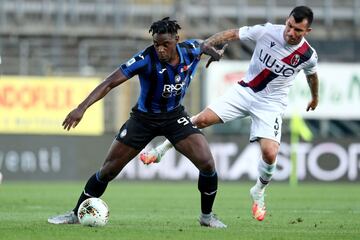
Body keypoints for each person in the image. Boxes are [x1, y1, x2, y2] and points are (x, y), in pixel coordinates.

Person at [140, 6, 319, 222]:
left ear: (307, 32)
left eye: (297, 30)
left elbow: (312, 75)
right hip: (245, 91)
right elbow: (232, 33)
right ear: (287, 20)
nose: (290, 32)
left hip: (271, 104)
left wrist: (314, 97)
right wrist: (207, 46)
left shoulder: (308, 55)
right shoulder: (268, 31)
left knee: (270, 154)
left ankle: (258, 192)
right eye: (289, 26)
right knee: (203, 119)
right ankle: (161, 149)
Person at [47, 17, 227, 228]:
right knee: (108, 170)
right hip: (143, 119)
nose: (160, 49)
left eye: (165, 44)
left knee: (207, 163)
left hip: (174, 116)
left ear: (177, 40)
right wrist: (81, 108)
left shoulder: (192, 49)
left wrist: (215, 50)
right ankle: (75, 213)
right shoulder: (144, 59)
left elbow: (211, 42)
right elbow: (109, 83)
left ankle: (207, 217)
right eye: (156, 44)